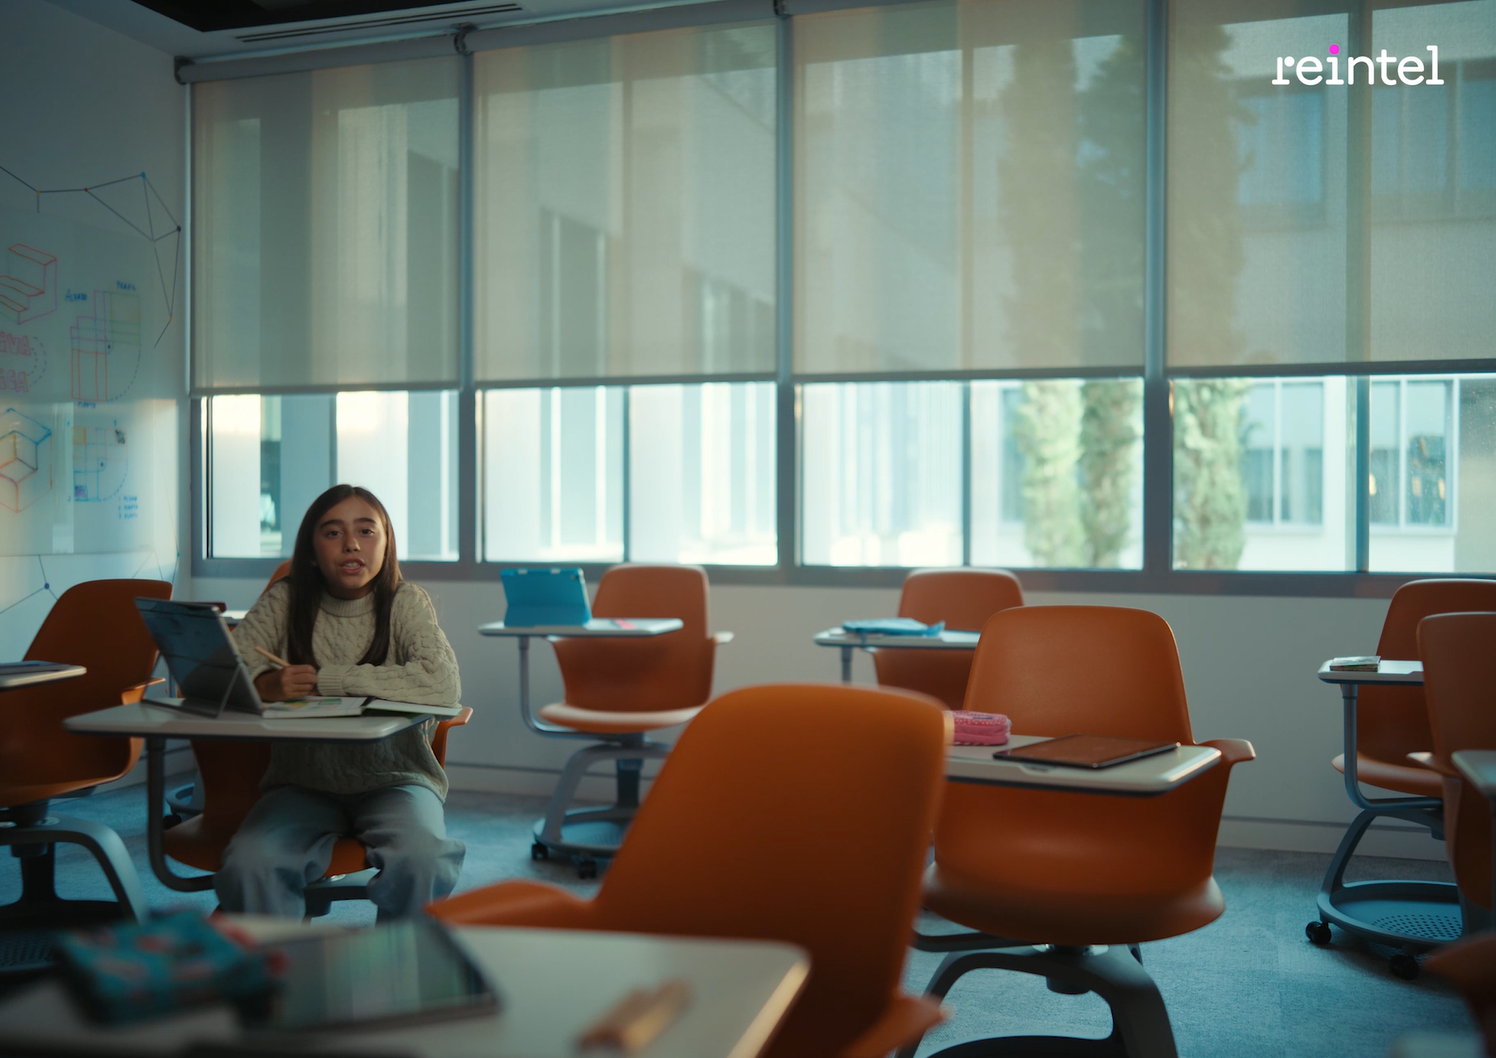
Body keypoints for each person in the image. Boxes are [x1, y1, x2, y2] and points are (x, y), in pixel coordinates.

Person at [216, 484, 464, 920]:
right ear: (311, 551)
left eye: (367, 531)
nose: (351, 543)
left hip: (396, 778)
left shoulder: (405, 602)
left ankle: (400, 974)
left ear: (386, 544)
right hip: (302, 781)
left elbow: (441, 684)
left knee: (423, 858)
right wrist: (267, 684)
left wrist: (332, 678)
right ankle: (276, 980)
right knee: (250, 863)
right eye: (332, 533)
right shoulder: (285, 600)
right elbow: (223, 674)